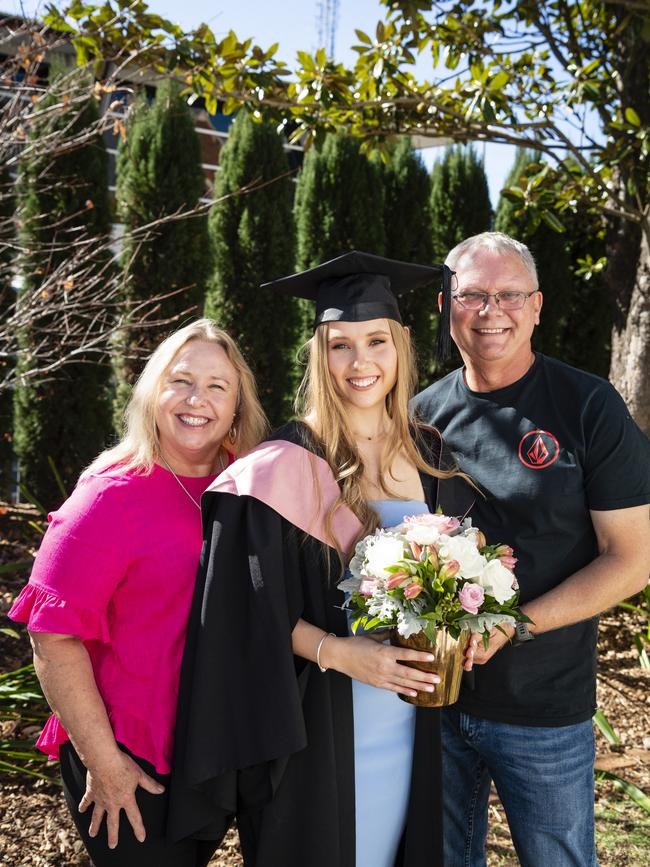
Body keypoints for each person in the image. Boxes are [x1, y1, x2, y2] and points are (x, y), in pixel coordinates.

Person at [166, 252, 475, 867]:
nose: (361, 363)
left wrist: (466, 625)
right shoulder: (283, 463)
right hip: (320, 722)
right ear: (319, 352)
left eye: (376, 341)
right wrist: (340, 652)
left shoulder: (430, 453)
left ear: (402, 345)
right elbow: (239, 610)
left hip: (414, 717)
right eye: (340, 345)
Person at [412, 232, 650, 867]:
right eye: (472, 295)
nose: (492, 311)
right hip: (437, 701)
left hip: (543, 709)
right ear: (446, 306)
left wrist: (514, 626)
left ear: (538, 305)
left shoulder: (587, 406)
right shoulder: (421, 418)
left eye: (509, 294)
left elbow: (631, 557)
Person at [8, 319, 268, 866]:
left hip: (208, 749)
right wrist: (105, 764)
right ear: (153, 391)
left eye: (218, 386)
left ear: (238, 406)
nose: (198, 399)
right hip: (129, 754)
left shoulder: (247, 485)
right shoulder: (108, 496)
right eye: (182, 381)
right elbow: (52, 638)